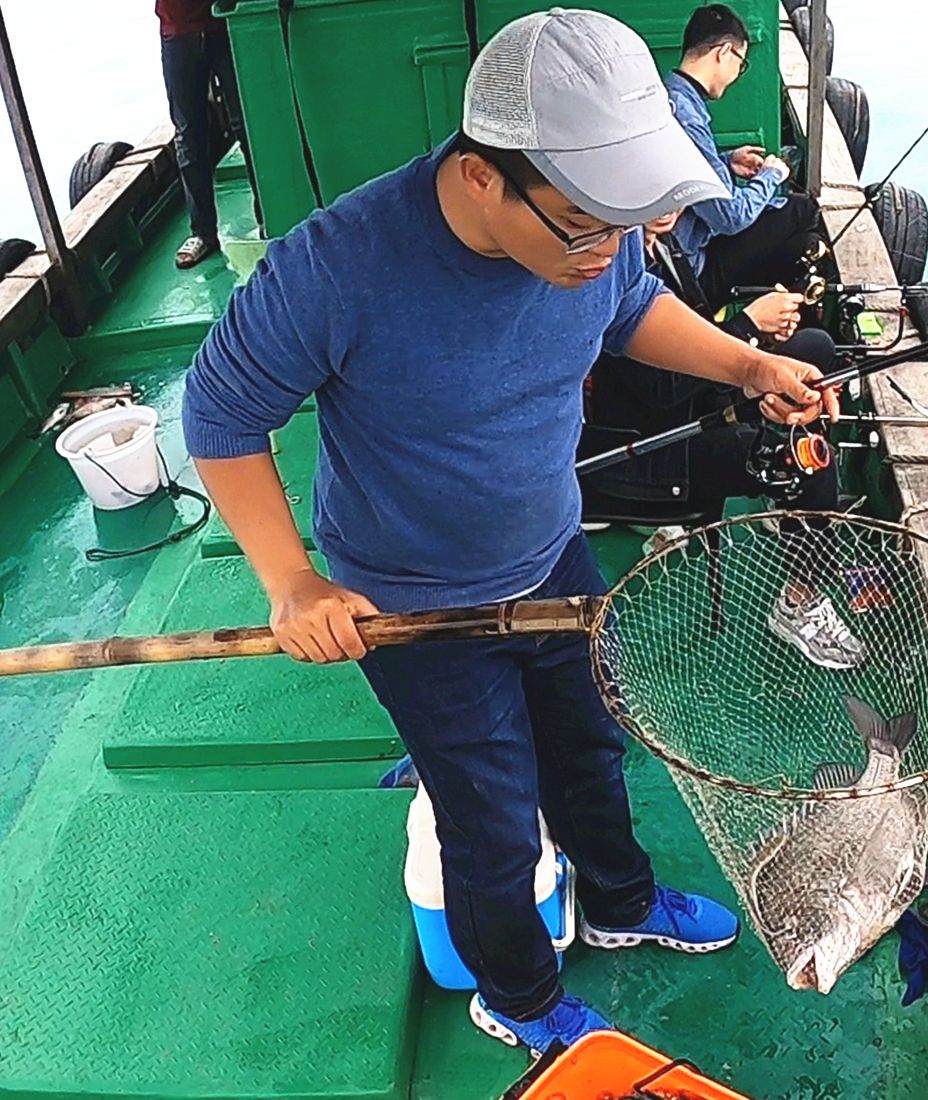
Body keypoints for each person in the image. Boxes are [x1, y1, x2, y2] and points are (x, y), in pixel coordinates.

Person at [181, 10, 838, 1054]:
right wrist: (291, 582)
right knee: (487, 821)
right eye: (584, 225)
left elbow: (629, 312)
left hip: (551, 551)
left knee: (587, 741)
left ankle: (620, 896)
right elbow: (219, 416)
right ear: (482, 177)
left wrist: (748, 364)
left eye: (629, 223)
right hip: (413, 599)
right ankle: (521, 999)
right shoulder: (335, 266)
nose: (608, 250)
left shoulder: (598, 238)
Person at [582, 211, 867, 670]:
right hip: (649, 450)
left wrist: (758, 365)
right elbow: (660, 389)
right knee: (805, 461)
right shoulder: (606, 262)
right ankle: (799, 601)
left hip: (687, 405)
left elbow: (695, 333)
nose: (667, 206)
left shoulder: (662, 246)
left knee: (815, 350)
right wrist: (750, 328)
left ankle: (796, 511)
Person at [664, 4, 826, 304]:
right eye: (741, 62)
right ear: (724, 53)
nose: (738, 74)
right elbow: (730, 216)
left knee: (804, 242)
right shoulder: (686, 116)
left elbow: (688, 174)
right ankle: (763, 325)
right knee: (802, 213)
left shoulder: (673, 95)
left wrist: (727, 161)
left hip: (685, 249)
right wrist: (771, 175)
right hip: (689, 269)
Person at [156, 0, 245, 269]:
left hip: (227, 22)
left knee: (246, 123)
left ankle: (268, 214)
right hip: (178, 33)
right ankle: (203, 233)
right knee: (188, 135)